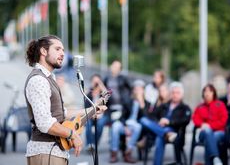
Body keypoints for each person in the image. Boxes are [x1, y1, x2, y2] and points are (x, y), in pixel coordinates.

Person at [24, 35, 107, 165]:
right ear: (43, 51)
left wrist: (92, 109)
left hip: (54, 152)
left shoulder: (50, 78)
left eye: (63, 50)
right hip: (45, 152)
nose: (62, 53)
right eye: (57, 49)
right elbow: (45, 122)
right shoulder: (38, 80)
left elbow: (62, 113)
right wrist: (73, 135)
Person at [140, 82, 191, 165]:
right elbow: (152, 116)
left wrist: (169, 122)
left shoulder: (185, 107)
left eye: (177, 93)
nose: (175, 95)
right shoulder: (164, 105)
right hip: (160, 128)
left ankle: (165, 134)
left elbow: (185, 120)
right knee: (143, 120)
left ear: (182, 94)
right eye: (173, 93)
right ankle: (166, 134)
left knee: (160, 137)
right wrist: (159, 121)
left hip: (174, 131)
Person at [109, 79, 150, 163]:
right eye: (136, 89)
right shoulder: (128, 101)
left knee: (138, 126)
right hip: (126, 125)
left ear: (143, 91)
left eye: (140, 89)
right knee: (115, 125)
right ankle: (114, 152)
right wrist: (125, 126)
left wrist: (141, 102)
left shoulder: (147, 103)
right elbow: (122, 116)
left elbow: (146, 119)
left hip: (137, 127)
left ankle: (128, 152)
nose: (137, 91)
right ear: (133, 90)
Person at [192, 84, 228, 165]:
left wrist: (210, 126)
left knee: (211, 138)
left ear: (213, 93)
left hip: (219, 132)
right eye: (205, 91)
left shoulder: (220, 104)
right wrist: (202, 124)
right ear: (203, 94)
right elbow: (195, 118)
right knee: (208, 133)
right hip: (203, 133)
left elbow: (224, 120)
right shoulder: (200, 106)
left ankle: (211, 161)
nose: (207, 93)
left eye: (210, 91)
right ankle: (215, 157)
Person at [85, 74, 110, 151]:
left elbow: (108, 95)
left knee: (100, 123)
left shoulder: (104, 93)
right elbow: (85, 106)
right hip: (91, 115)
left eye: (97, 82)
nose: (96, 84)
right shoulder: (89, 93)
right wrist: (91, 90)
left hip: (103, 115)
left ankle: (95, 143)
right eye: (94, 82)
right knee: (88, 123)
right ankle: (90, 144)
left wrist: (100, 85)